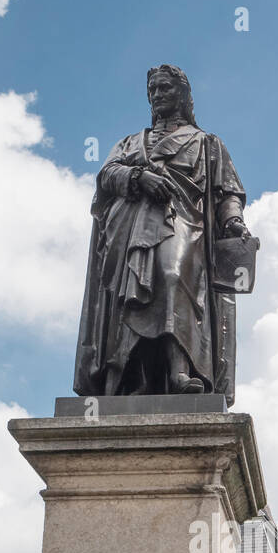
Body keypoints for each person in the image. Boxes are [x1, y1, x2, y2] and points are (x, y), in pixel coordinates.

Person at [73, 65, 251, 402]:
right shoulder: (130, 142)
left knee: (171, 276)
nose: (157, 95)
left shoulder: (206, 143)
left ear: (182, 95)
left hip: (184, 221)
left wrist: (234, 222)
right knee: (128, 293)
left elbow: (227, 192)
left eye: (165, 88)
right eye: (152, 89)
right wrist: (139, 178)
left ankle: (179, 371)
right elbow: (106, 175)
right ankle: (130, 377)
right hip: (129, 226)